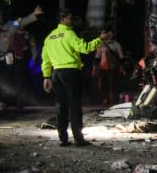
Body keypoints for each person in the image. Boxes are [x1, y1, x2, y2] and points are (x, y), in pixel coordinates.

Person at [41, 10, 110, 146]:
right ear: (64, 19)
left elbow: (45, 59)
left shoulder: (50, 37)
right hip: (70, 72)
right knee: (74, 105)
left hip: (56, 73)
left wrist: (46, 76)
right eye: (70, 18)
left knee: (61, 105)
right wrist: (100, 39)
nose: (72, 20)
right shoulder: (68, 34)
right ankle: (79, 138)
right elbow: (84, 48)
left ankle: (63, 139)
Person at [0, 4, 43, 113]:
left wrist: (34, 14)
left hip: (3, 60)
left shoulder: (9, 25)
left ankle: (3, 104)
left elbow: (20, 22)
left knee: (5, 82)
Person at [92, 29, 124, 106]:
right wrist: (94, 68)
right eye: (108, 34)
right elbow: (97, 57)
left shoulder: (117, 44)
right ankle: (105, 98)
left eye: (110, 34)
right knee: (102, 84)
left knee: (112, 84)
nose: (109, 35)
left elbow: (121, 57)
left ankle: (112, 100)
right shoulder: (101, 44)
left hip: (113, 67)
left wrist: (121, 66)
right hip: (102, 67)